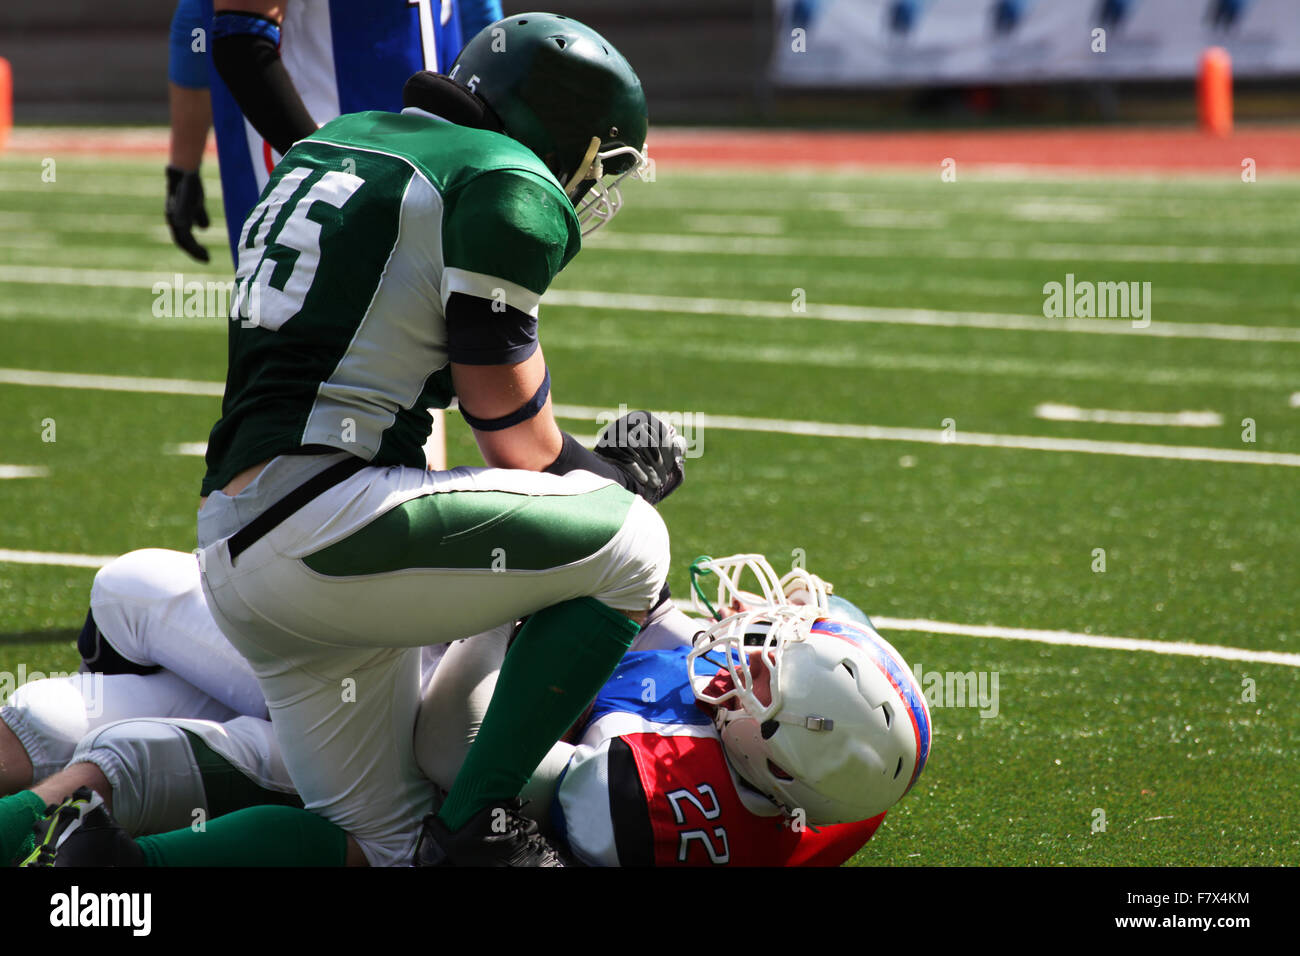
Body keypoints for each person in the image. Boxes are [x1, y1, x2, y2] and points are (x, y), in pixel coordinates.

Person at [12, 555, 928, 867]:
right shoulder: (820, 757)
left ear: (775, 760)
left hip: (417, 754)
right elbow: (646, 610)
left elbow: (455, 748)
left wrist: (516, 598)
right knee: (59, 709)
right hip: (427, 683)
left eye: (769, 669)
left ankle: (102, 878)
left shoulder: (653, 797)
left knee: (105, 726)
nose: (753, 642)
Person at [165, 0, 491, 263]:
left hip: (421, 165)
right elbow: (239, 37)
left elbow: (477, 14)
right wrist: (331, 177)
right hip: (315, 155)